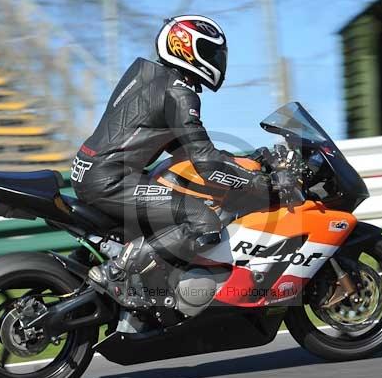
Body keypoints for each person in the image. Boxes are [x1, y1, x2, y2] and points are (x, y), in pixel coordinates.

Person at [72, 15, 273, 311]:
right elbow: (206, 164)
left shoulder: (151, 76)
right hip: (111, 181)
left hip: (94, 173)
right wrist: (256, 182)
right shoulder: (179, 91)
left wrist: (247, 160)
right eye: (210, 53)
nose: (217, 61)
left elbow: (190, 149)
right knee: (203, 220)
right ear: (187, 48)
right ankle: (115, 272)